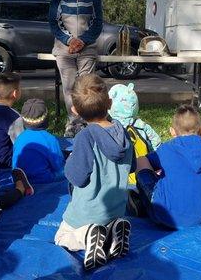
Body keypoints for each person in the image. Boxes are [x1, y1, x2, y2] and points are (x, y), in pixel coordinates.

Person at [54, 74, 133, 270]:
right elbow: (131, 167)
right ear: (110, 103)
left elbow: (77, 178)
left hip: (87, 212)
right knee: (108, 225)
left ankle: (87, 236)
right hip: (115, 209)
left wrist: (71, 161)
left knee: (61, 237)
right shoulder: (122, 132)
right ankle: (114, 234)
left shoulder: (85, 137)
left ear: (75, 110)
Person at [132, 105, 201, 229]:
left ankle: (142, 203)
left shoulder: (166, 148)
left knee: (141, 161)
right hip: (200, 218)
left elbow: (146, 161)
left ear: (172, 131)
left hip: (163, 216)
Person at [49, 0, 103, 137]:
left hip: (87, 48)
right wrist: (69, 40)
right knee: (69, 86)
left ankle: (87, 122)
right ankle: (72, 123)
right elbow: (53, 23)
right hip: (64, 49)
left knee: (86, 86)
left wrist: (83, 41)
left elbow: (97, 24)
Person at [12, 99, 65, 184]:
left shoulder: (19, 138)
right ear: (46, 119)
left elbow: (15, 164)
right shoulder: (50, 139)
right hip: (45, 178)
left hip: (21, 178)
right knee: (68, 170)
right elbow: (59, 166)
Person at [108, 83, 161, 153]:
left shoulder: (110, 126)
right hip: (144, 159)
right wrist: (156, 154)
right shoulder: (141, 125)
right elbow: (156, 141)